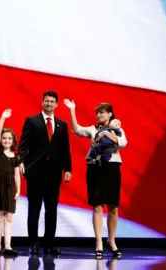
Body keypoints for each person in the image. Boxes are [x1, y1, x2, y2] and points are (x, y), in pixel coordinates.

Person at [64, 99, 127, 259]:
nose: (99, 115)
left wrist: (108, 134)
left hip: (112, 168)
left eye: (102, 112)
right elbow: (76, 130)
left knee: (113, 207)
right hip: (95, 168)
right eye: (97, 113)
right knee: (97, 206)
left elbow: (123, 143)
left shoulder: (117, 129)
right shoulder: (93, 129)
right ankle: (99, 242)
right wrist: (72, 110)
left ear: (110, 114)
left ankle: (111, 241)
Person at [18, 90, 72, 256]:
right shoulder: (32, 121)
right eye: (46, 101)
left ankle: (49, 243)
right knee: (34, 209)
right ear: (42, 102)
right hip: (35, 172)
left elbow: (65, 149)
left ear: (56, 104)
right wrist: (20, 161)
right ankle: (33, 243)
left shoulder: (61, 125)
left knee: (51, 209)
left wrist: (68, 169)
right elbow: (23, 143)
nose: (49, 104)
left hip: (54, 173)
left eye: (52, 101)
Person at [0, 109, 21, 256]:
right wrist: (2, 118)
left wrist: (18, 190)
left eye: (9, 138)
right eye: (4, 138)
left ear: (13, 141)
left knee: (8, 217)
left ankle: (8, 246)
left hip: (10, 188)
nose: (6, 140)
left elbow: (17, 175)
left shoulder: (16, 157)